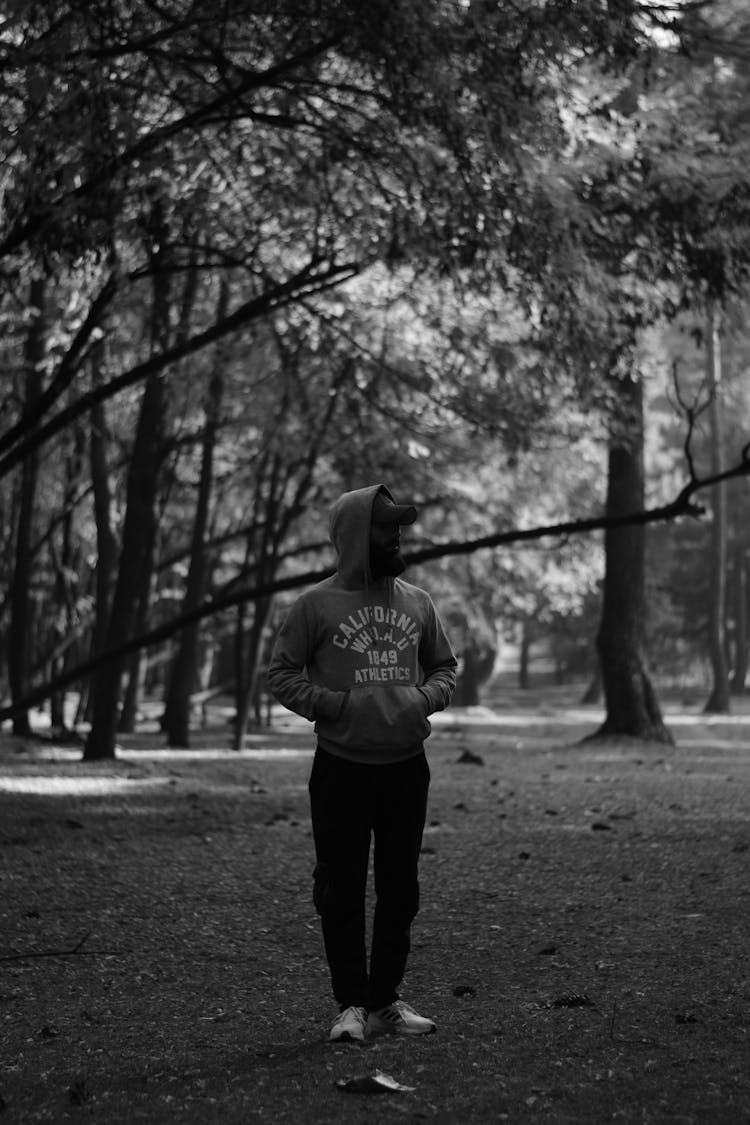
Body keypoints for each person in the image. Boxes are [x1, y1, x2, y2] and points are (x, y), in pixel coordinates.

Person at [267, 484, 457, 1042]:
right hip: (341, 768)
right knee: (341, 888)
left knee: (401, 889)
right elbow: (282, 674)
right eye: (384, 526)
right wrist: (337, 706)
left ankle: (385, 1003)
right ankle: (350, 1005)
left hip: (405, 766)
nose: (396, 534)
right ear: (354, 535)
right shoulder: (315, 606)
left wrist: (421, 700)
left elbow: (444, 667)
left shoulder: (418, 603)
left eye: (398, 525)